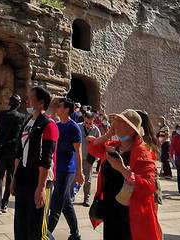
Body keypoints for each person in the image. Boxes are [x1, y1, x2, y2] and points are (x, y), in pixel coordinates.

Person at [88, 109, 162, 240]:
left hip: (129, 214)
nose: (115, 123)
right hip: (110, 209)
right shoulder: (114, 146)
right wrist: (107, 135)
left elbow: (149, 186)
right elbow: (93, 148)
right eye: (116, 120)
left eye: (121, 122)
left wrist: (122, 170)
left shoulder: (142, 152)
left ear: (131, 129)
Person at [11, 86, 59, 240]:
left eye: (31, 98)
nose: (27, 101)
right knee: (20, 224)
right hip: (23, 179)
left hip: (39, 181)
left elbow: (46, 159)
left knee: (37, 229)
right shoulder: (28, 122)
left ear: (41, 103)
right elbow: (19, 153)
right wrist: (14, 178)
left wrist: (41, 187)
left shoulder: (49, 125)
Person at [47, 98, 83, 240]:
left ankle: (44, 234)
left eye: (60, 106)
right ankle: (75, 234)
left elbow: (78, 152)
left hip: (67, 170)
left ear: (67, 109)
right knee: (66, 203)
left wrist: (79, 172)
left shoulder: (73, 127)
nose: (57, 108)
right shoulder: (57, 125)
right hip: (57, 169)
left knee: (56, 205)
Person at [0, 93, 25, 216]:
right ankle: (5, 203)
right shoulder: (22, 117)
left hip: (3, 148)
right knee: (10, 176)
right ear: (18, 104)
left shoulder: (3, 114)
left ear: (9, 103)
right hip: (14, 150)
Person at [78, 111, 100, 207]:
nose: (88, 125)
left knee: (88, 179)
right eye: (86, 122)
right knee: (74, 178)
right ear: (84, 119)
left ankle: (86, 198)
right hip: (78, 156)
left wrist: (93, 140)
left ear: (93, 121)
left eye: (90, 123)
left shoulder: (96, 130)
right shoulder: (78, 127)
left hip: (89, 158)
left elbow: (100, 143)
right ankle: (70, 196)